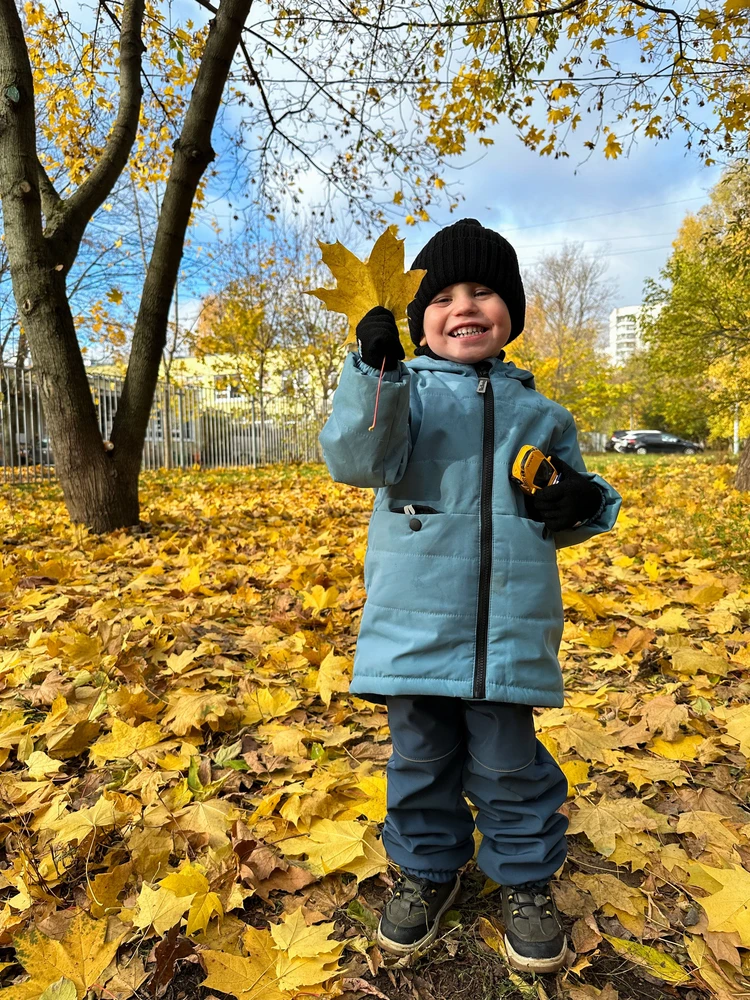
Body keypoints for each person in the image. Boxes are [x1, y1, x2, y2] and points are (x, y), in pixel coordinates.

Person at [318, 219, 621, 974]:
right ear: (419, 322)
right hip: (414, 628)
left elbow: (574, 502)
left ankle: (523, 879)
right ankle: (426, 869)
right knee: (420, 758)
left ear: (511, 310)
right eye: (444, 296)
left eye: (484, 291)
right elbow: (356, 459)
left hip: (511, 629)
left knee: (511, 764)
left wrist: (584, 500)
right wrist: (373, 372)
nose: (465, 307)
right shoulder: (404, 390)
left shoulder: (542, 413)